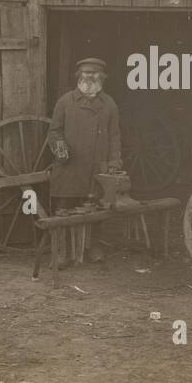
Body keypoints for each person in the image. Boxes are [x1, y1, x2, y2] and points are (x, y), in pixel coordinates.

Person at [48, 57, 122, 263]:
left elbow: (115, 136)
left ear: (102, 79)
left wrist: (115, 163)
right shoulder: (65, 101)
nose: (89, 80)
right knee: (64, 208)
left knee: (96, 208)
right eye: (85, 76)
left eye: (94, 76)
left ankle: (94, 246)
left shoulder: (109, 104)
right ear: (78, 78)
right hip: (69, 167)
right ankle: (61, 252)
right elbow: (54, 132)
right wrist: (59, 147)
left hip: (97, 167)